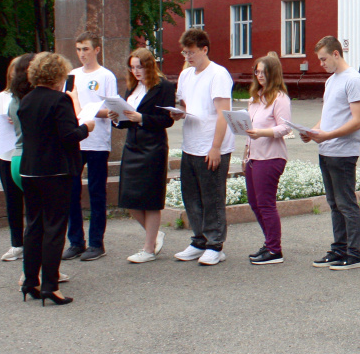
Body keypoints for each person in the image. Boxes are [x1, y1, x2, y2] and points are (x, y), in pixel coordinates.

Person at [17, 52, 95, 306]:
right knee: (54, 228)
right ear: (57, 75)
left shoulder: (26, 100)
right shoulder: (60, 100)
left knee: (34, 225)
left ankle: (30, 281)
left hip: (30, 170)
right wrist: (87, 127)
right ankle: (50, 284)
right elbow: (68, 135)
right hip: (56, 171)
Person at [170, 28, 236, 266]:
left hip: (211, 144)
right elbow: (185, 104)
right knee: (192, 196)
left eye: (191, 52)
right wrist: (178, 114)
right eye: (184, 52)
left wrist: (216, 147)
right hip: (191, 144)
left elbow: (223, 114)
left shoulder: (218, 74)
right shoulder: (186, 75)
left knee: (212, 197)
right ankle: (198, 240)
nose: (187, 57)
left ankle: (215, 244)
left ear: (204, 49)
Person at [303, 36, 360, 270]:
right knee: (333, 203)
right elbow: (329, 115)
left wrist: (327, 135)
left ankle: (354, 253)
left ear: (336, 54)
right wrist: (313, 130)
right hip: (327, 149)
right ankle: (339, 248)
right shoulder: (331, 81)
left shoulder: (353, 80)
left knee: (346, 202)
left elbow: (358, 121)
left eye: (323, 59)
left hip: (343, 152)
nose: (321, 64)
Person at [112, 48, 176, 263]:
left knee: (150, 199)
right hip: (132, 146)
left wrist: (142, 118)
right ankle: (155, 234)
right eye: (132, 67)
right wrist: (116, 118)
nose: (136, 71)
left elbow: (167, 120)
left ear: (149, 65)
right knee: (129, 199)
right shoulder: (133, 87)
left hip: (152, 147)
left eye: (139, 66)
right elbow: (125, 121)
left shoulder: (163, 86)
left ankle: (148, 249)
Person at [63, 32, 119, 262]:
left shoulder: (106, 76)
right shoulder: (72, 75)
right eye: (78, 49)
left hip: (96, 142)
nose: (82, 54)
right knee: (71, 192)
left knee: (96, 193)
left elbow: (112, 109)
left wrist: (88, 111)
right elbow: (65, 103)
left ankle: (97, 243)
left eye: (86, 49)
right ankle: (76, 241)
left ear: (97, 49)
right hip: (75, 139)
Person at [243, 55, 293, 266]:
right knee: (255, 203)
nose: (259, 76)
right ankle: (269, 242)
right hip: (253, 156)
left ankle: (275, 250)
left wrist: (261, 132)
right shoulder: (256, 97)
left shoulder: (279, 98)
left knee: (266, 203)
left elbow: (285, 127)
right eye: (257, 72)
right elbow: (249, 127)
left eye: (263, 72)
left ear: (273, 73)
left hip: (271, 157)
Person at [0, 57, 25, 262]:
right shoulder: (3, 96)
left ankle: (34, 242)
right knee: (12, 201)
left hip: (26, 154)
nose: (15, 76)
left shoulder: (29, 96)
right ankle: (17, 244)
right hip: (6, 154)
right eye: (13, 71)